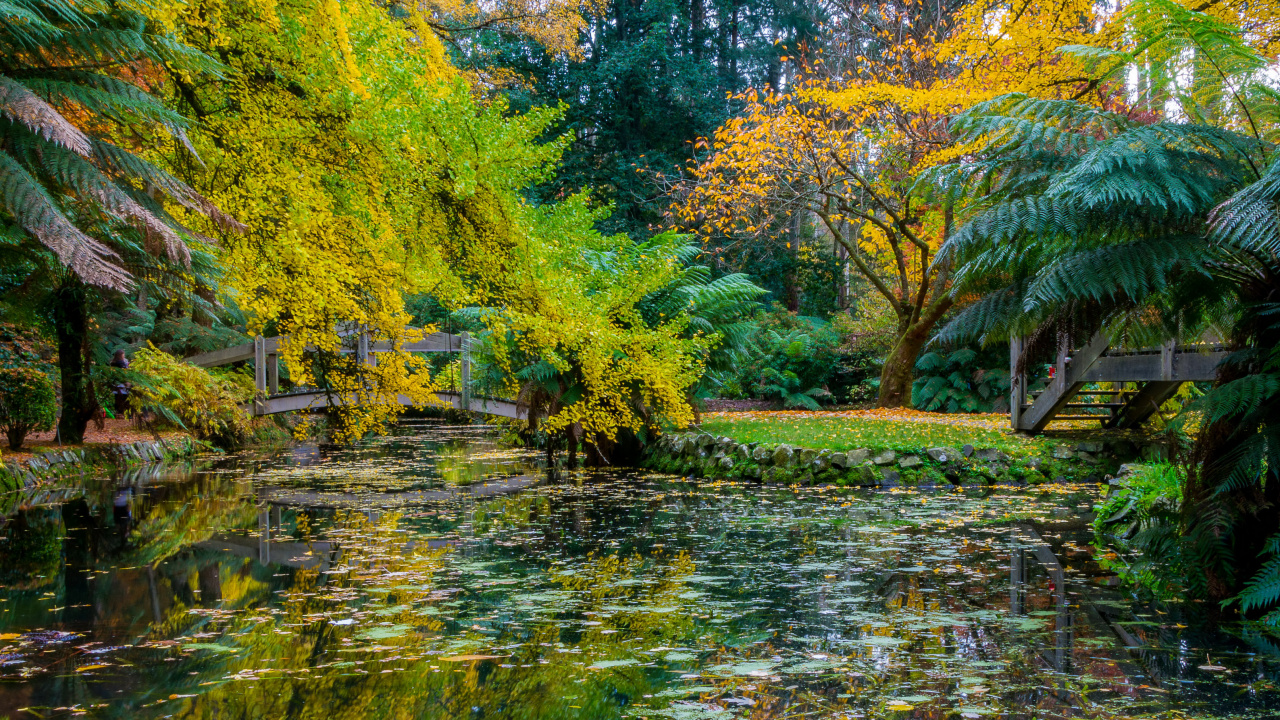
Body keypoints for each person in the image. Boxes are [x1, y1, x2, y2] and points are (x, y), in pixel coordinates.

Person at [110, 349, 130, 417]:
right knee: (124, 398)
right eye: (123, 354)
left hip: (115, 383)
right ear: (121, 355)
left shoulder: (113, 362)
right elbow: (124, 372)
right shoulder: (120, 362)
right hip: (122, 383)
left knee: (117, 398)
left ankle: (118, 412)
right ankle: (124, 412)